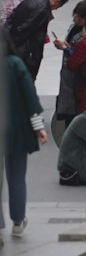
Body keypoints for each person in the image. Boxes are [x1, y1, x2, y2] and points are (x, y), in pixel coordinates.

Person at [2, 50, 48, 241]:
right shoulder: (14, 64)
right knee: (17, 177)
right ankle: (18, 221)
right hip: (17, 130)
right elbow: (30, 97)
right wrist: (39, 128)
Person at [51, 0, 86, 144]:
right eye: (75, 15)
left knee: (77, 114)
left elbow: (83, 57)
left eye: (79, 17)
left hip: (79, 81)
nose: (75, 18)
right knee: (68, 114)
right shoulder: (73, 28)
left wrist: (67, 49)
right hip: (68, 78)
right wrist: (66, 46)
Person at [7, 0, 69, 79]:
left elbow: (11, 20)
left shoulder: (32, 0)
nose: (55, 9)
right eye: (58, 6)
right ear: (57, 1)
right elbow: (25, 31)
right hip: (25, 54)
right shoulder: (43, 10)